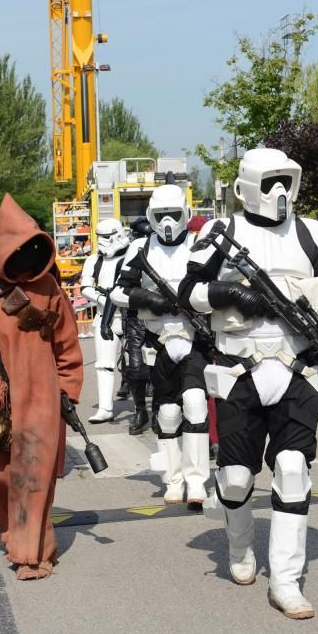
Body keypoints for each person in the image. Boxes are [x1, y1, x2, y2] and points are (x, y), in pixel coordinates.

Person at [179, 148, 318, 619]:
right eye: (269, 181)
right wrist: (230, 293)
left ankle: (287, 581)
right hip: (239, 372)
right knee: (235, 478)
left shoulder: (311, 232)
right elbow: (186, 292)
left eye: (285, 181)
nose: (279, 192)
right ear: (246, 186)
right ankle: (238, 547)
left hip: (299, 370)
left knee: (293, 469)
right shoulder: (222, 232)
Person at [0, 195, 83, 580]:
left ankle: (36, 553)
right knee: (3, 477)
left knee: (37, 478)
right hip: (0, 404)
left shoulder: (50, 289)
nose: (25, 256)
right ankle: (14, 533)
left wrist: (67, 392)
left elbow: (67, 346)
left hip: (43, 400)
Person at [111, 184, 211, 510]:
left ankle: (197, 479)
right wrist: (147, 299)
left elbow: (220, 288)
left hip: (195, 338)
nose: (168, 222)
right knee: (168, 413)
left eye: (174, 214)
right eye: (161, 215)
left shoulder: (199, 246)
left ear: (186, 214)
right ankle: (173, 478)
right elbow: (117, 292)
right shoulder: (140, 248)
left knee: (195, 403)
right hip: (159, 340)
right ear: (152, 217)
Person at [81, 218, 129, 424]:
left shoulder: (132, 256)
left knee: (140, 365)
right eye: (100, 238)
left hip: (131, 316)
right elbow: (85, 286)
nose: (103, 242)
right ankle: (105, 407)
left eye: (107, 238)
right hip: (105, 316)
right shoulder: (94, 260)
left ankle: (145, 407)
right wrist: (103, 298)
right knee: (104, 365)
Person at [117, 217, 154, 435]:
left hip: (160, 317)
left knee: (161, 370)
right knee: (136, 368)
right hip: (135, 318)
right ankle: (141, 410)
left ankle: (159, 411)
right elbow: (118, 289)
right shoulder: (131, 252)